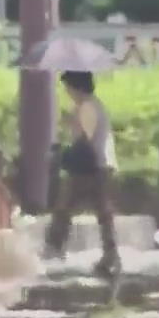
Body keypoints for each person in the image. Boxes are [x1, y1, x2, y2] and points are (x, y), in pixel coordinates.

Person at [44, 71, 120, 278]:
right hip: (100, 165)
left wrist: (72, 124)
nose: (67, 91)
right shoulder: (93, 105)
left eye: (68, 87)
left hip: (90, 167)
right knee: (103, 212)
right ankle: (110, 254)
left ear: (76, 87)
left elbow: (85, 138)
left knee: (64, 207)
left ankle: (53, 250)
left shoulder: (87, 107)